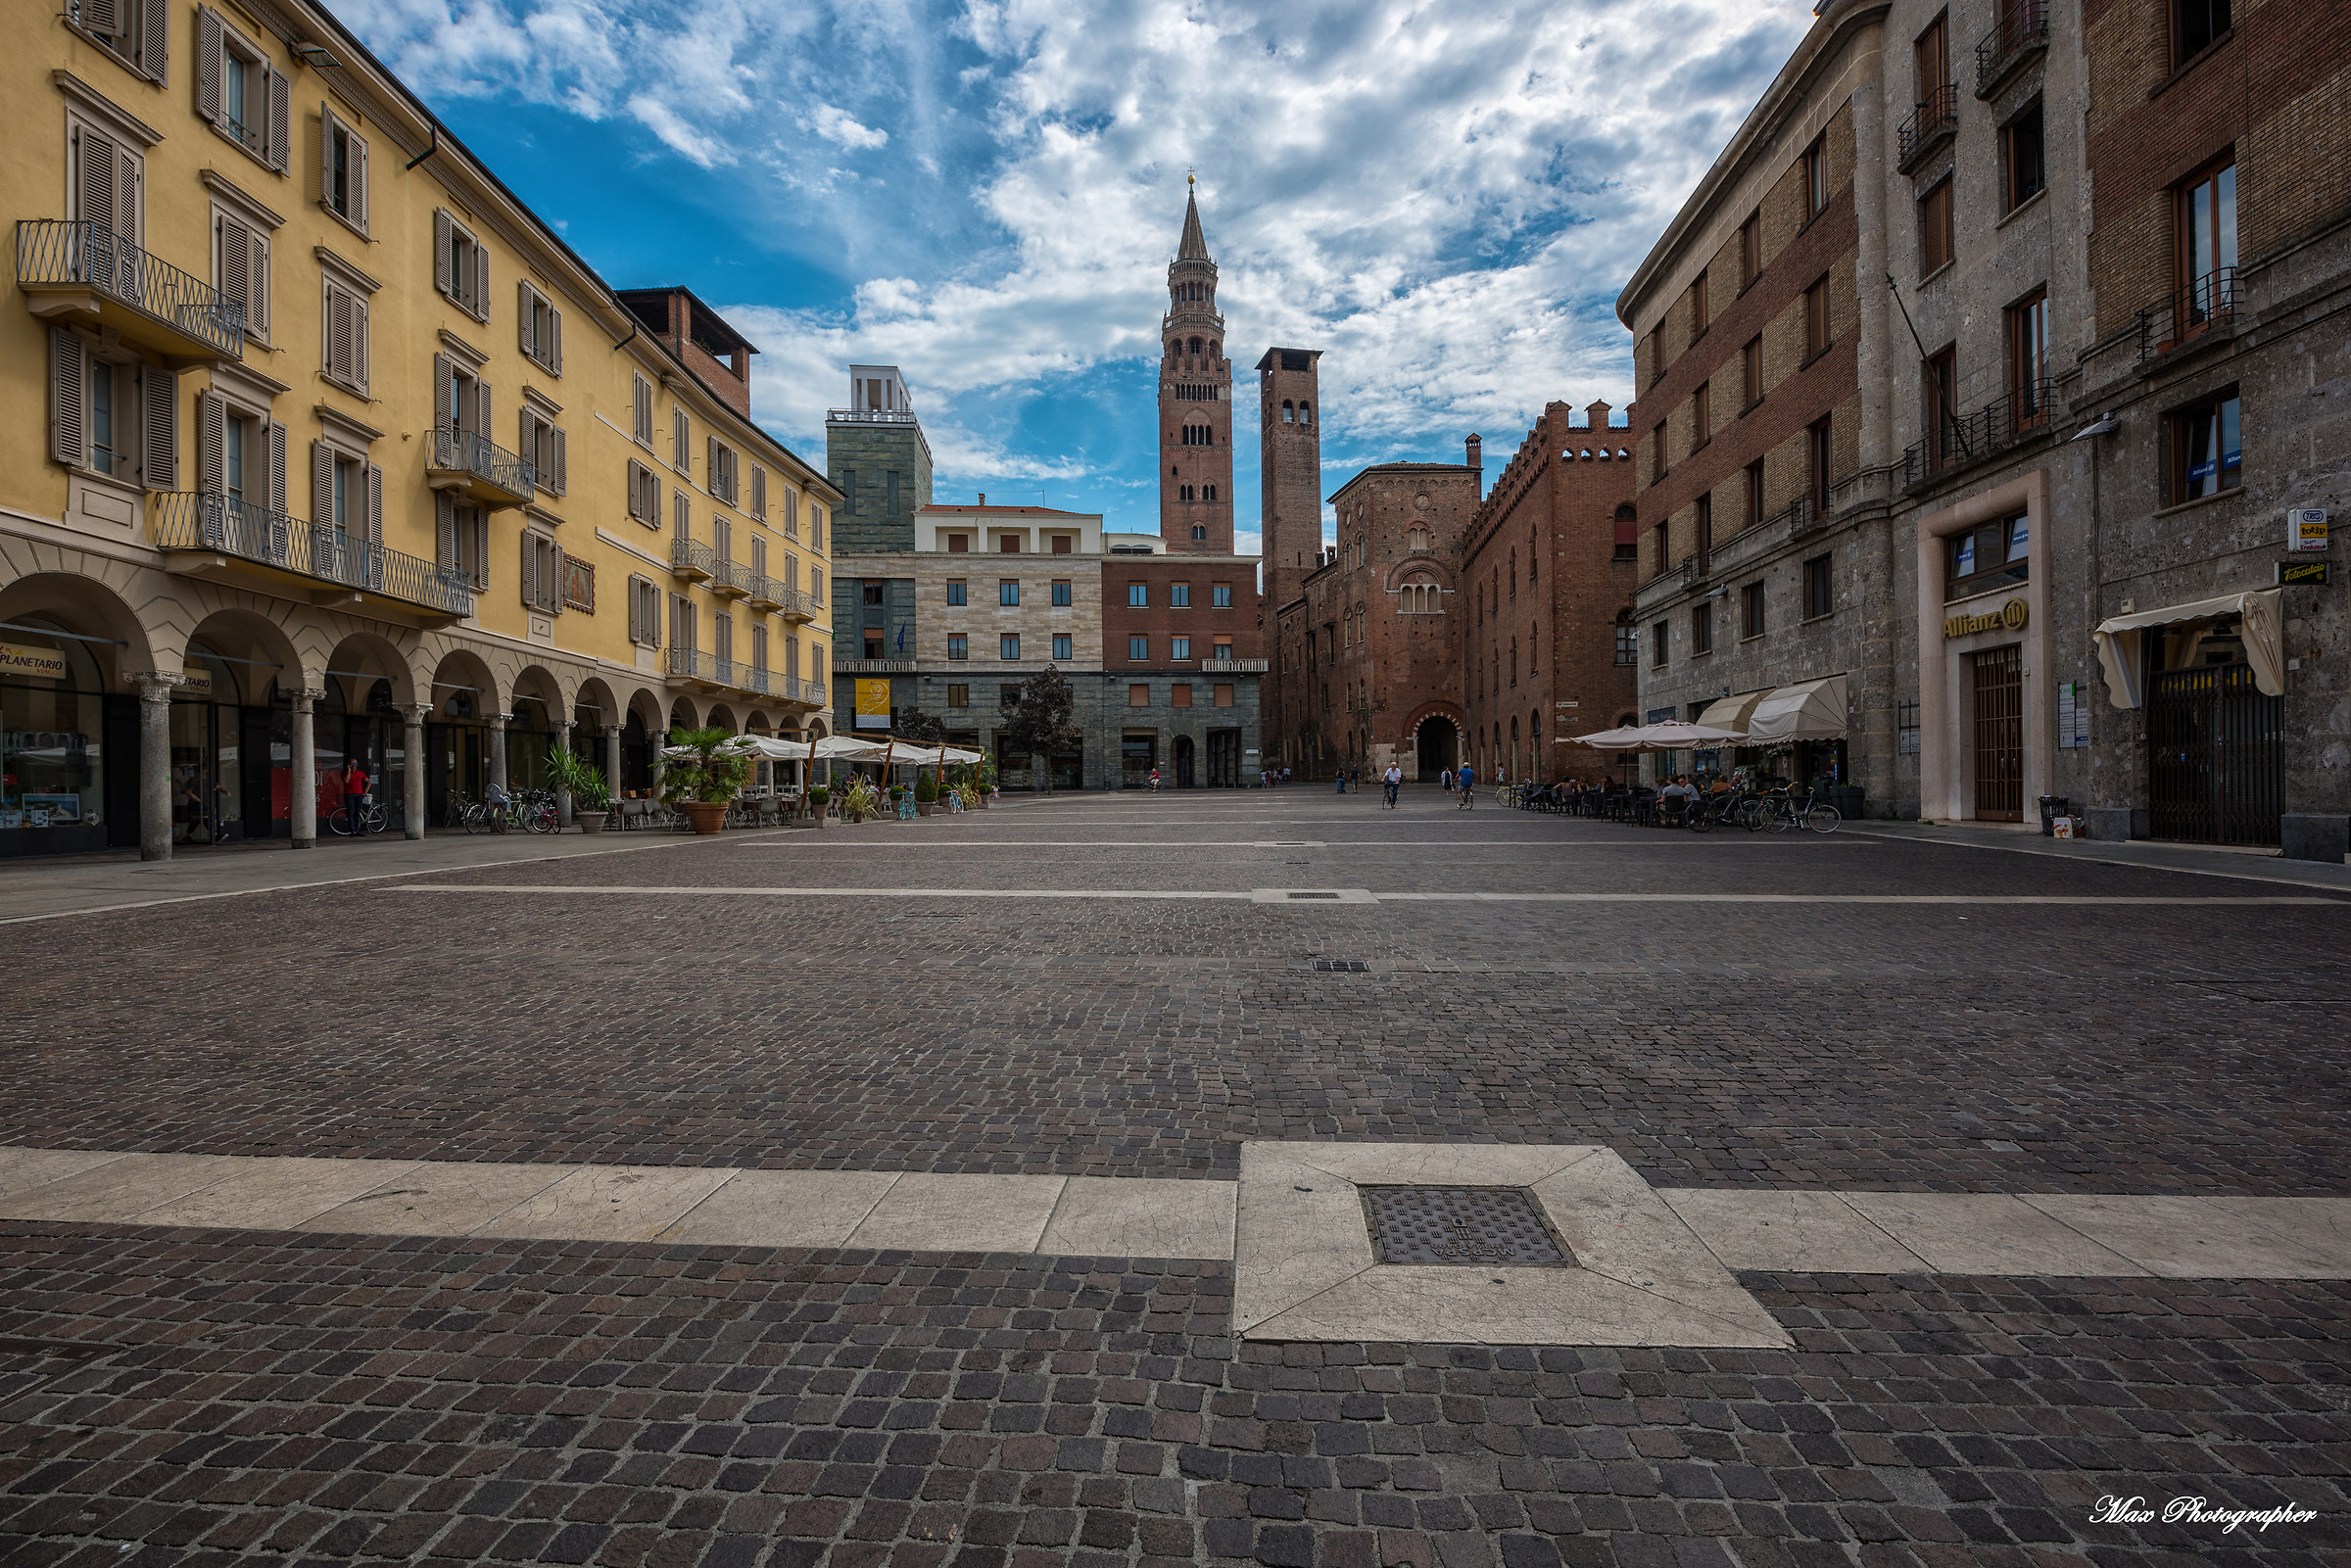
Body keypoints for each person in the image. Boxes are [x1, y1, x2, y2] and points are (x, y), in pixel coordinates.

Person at [342, 758, 369, 833]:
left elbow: (368, 782)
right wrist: (349, 771)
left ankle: (356, 830)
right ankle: (352, 830)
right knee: (351, 812)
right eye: (352, 764)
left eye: (355, 764)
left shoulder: (360, 773)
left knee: (357, 812)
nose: (354, 766)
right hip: (349, 794)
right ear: (349, 765)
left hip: (359, 794)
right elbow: (346, 781)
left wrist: (366, 791)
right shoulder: (345, 773)